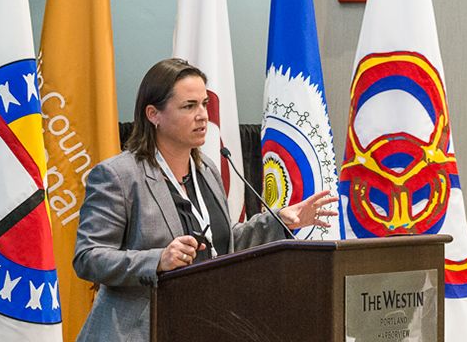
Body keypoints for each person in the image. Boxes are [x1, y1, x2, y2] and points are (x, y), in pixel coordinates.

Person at [73, 58, 339, 341]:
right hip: (137, 331)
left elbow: (220, 242)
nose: (202, 115)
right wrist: (157, 260)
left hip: (203, 324)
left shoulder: (207, 169)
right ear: (153, 114)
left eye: (203, 104)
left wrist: (279, 221)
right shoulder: (119, 175)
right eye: (189, 106)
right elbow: (88, 257)